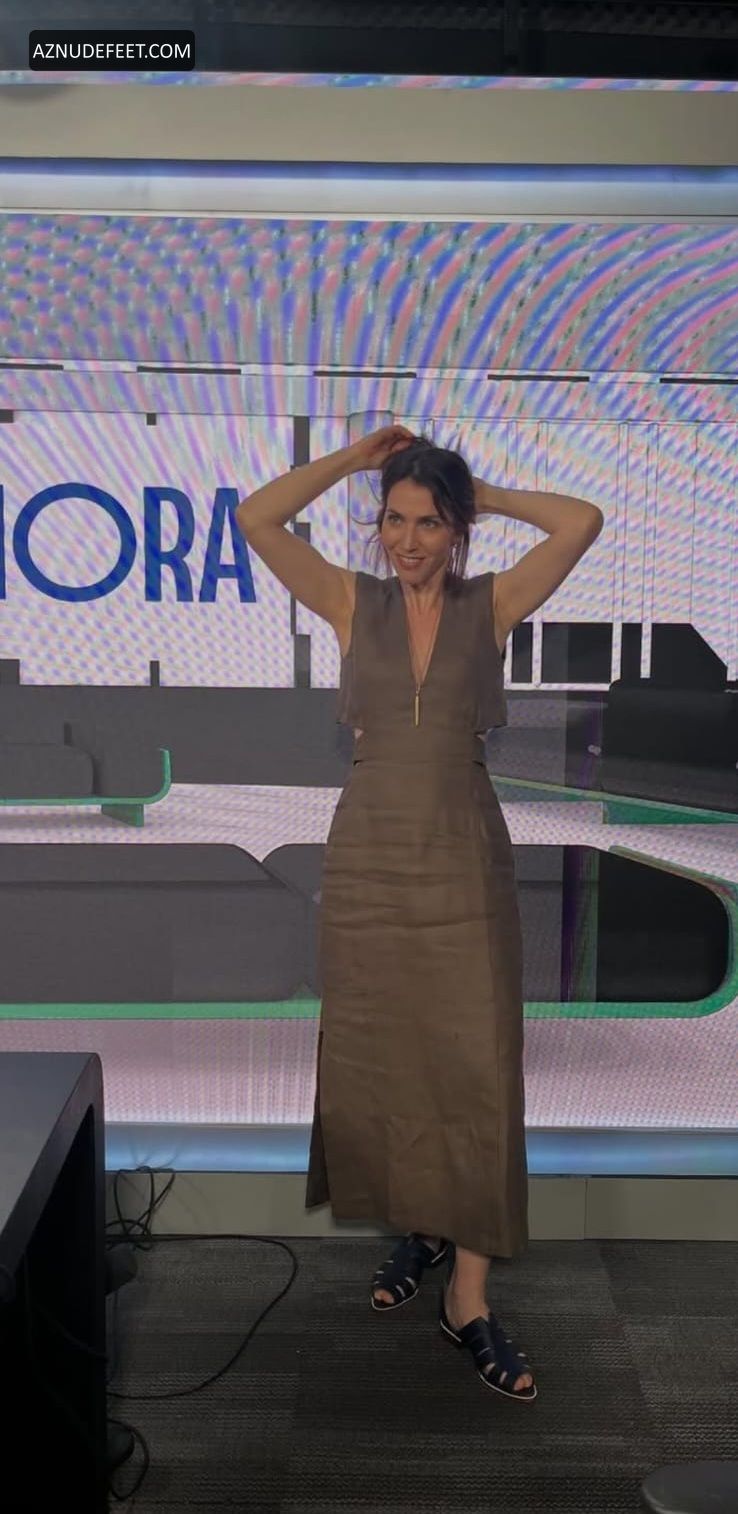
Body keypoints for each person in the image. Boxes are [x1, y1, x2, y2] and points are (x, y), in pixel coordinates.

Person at [236, 425, 603, 1401]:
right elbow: (256, 518)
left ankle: (467, 1300)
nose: (406, 540)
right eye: (394, 520)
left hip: (463, 856)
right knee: (389, 1054)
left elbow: (582, 520)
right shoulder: (349, 600)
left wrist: (485, 492)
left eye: (429, 522)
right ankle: (424, 1225)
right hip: (369, 858)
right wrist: (351, 461)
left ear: (456, 530)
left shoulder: (494, 605)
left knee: (478, 1066)